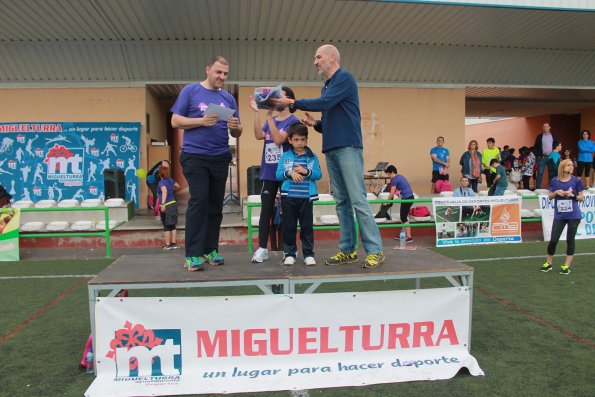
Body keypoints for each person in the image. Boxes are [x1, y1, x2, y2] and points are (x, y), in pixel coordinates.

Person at [269, 44, 385, 269]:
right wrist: (317, 124)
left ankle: (375, 251)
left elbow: (325, 103)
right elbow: (332, 116)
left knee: (359, 200)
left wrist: (292, 103)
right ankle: (348, 250)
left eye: (318, 57)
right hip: (332, 149)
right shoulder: (328, 87)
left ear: (332, 57)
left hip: (348, 148)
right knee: (342, 202)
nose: (315, 61)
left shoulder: (345, 78)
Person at [170, 55, 243, 271]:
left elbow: (238, 131)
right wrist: (201, 121)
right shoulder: (191, 91)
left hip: (220, 157)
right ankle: (193, 254)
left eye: (225, 74)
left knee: (215, 206)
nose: (222, 76)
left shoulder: (228, 99)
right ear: (208, 69)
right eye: (219, 72)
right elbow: (175, 121)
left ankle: (211, 250)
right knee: (199, 201)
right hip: (195, 156)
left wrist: (235, 125)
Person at [249, 87, 300, 263]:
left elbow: (279, 139)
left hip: (286, 173)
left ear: (289, 100)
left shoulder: (293, 121)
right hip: (269, 173)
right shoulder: (271, 119)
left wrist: (270, 118)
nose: (277, 98)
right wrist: (257, 113)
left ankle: (289, 249)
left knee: (288, 212)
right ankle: (262, 248)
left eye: (281, 96)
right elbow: (258, 135)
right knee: (266, 211)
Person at [275, 124, 322, 266]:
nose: (299, 143)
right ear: (290, 140)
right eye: (296, 139)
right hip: (288, 198)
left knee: (307, 227)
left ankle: (308, 254)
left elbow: (318, 174)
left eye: (302, 139)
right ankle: (290, 253)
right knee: (289, 226)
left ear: (307, 140)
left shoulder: (312, 157)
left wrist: (306, 171)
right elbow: (278, 174)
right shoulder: (285, 156)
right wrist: (290, 173)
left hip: (306, 198)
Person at [541, 159, 584, 275]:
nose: (571, 167)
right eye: (568, 165)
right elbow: (550, 196)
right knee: (553, 240)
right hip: (559, 215)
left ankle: (566, 266)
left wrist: (573, 195)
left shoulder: (576, 181)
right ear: (562, 167)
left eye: (572, 165)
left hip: (573, 215)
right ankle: (548, 263)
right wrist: (556, 193)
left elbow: (581, 197)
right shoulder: (555, 181)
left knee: (570, 240)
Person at [382, 165, 414, 242]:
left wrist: (387, 202)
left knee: (403, 217)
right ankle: (403, 235)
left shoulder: (394, 179)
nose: (389, 176)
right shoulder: (400, 176)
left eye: (389, 174)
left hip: (407, 199)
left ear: (392, 172)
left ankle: (409, 237)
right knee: (403, 216)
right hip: (409, 197)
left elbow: (392, 192)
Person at [157, 163, 180, 250]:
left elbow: (164, 191)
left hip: (166, 205)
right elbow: (178, 186)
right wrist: (172, 190)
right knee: (173, 225)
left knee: (166, 226)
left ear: (159, 174)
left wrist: (162, 204)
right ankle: (173, 243)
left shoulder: (161, 183)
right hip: (173, 204)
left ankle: (167, 244)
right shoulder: (170, 180)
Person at [533, 123, 558, 189]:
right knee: (540, 172)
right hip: (542, 157)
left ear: (550, 127)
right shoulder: (539, 136)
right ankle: (538, 187)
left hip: (551, 157)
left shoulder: (554, 136)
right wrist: (538, 155)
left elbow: (557, 145)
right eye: (544, 126)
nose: (545, 128)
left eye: (547, 126)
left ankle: (551, 187)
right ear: (542, 128)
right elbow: (535, 147)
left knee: (551, 172)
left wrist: (556, 153)